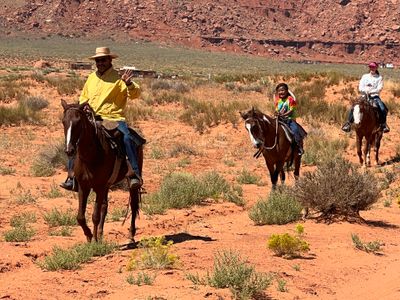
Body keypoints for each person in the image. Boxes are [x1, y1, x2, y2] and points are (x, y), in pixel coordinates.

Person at [61, 47, 143, 191]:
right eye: (98, 60)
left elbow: (135, 94)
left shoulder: (119, 78)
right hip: (92, 117)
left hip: (112, 118)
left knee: (126, 138)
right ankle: (72, 176)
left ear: (110, 60)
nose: (100, 63)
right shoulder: (92, 78)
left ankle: (134, 174)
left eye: (103, 60)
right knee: (75, 136)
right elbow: (84, 96)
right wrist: (83, 106)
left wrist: (129, 83)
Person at [341, 62, 389, 133]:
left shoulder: (379, 78)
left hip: (374, 96)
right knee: (354, 107)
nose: (372, 68)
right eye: (371, 67)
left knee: (382, 108)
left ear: (376, 68)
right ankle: (348, 124)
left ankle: (383, 124)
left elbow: (379, 88)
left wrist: (371, 91)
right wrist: (365, 91)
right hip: (364, 96)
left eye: (373, 67)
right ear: (369, 68)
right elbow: (360, 87)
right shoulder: (365, 76)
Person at [274, 83, 305, 155]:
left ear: (286, 91)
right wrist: (276, 113)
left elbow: (291, 110)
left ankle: (298, 147)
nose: (281, 92)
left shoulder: (290, 99)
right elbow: (276, 110)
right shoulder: (278, 101)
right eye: (279, 91)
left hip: (289, 120)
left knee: (295, 130)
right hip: (280, 120)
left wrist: (283, 115)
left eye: (283, 90)